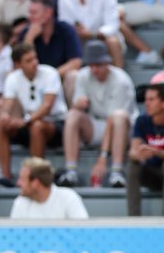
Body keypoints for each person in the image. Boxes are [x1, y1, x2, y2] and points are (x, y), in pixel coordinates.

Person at [0, 43, 68, 188]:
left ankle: (37, 175)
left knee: (37, 126)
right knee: (0, 126)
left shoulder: (50, 73)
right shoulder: (13, 78)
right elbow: (8, 104)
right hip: (27, 122)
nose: (35, 63)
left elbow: (47, 107)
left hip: (55, 124)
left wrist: (25, 120)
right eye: (29, 61)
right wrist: (5, 116)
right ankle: (5, 176)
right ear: (18, 64)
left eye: (35, 58)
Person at [59, 40, 138, 188]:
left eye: (99, 65)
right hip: (95, 125)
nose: (95, 70)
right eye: (92, 65)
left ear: (107, 63)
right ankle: (70, 171)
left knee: (119, 116)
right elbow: (77, 105)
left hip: (122, 131)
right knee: (72, 115)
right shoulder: (83, 76)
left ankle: (117, 171)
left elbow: (111, 121)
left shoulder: (121, 81)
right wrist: (77, 104)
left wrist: (102, 157)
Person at [127, 83, 164, 216]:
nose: (146, 103)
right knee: (133, 165)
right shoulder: (142, 120)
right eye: (146, 99)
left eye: (151, 99)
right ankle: (133, 217)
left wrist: (154, 151)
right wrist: (139, 154)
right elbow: (132, 151)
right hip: (151, 173)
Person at [57, 0, 124, 68]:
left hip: (100, 37)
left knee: (113, 41)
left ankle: (119, 77)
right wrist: (76, 31)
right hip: (76, 38)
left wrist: (93, 34)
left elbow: (112, 24)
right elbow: (64, 23)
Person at [20, 0, 83, 103]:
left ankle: (72, 116)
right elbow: (20, 63)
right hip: (34, 79)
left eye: (34, 12)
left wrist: (51, 76)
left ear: (49, 13)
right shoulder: (26, 33)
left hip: (60, 78)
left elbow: (75, 62)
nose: (30, 16)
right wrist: (29, 38)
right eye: (29, 12)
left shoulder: (66, 30)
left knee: (73, 76)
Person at [10, 157, 89, 219]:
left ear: (35, 183)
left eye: (22, 179)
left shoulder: (69, 198)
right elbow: (13, 237)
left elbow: (82, 232)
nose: (18, 183)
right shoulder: (20, 202)